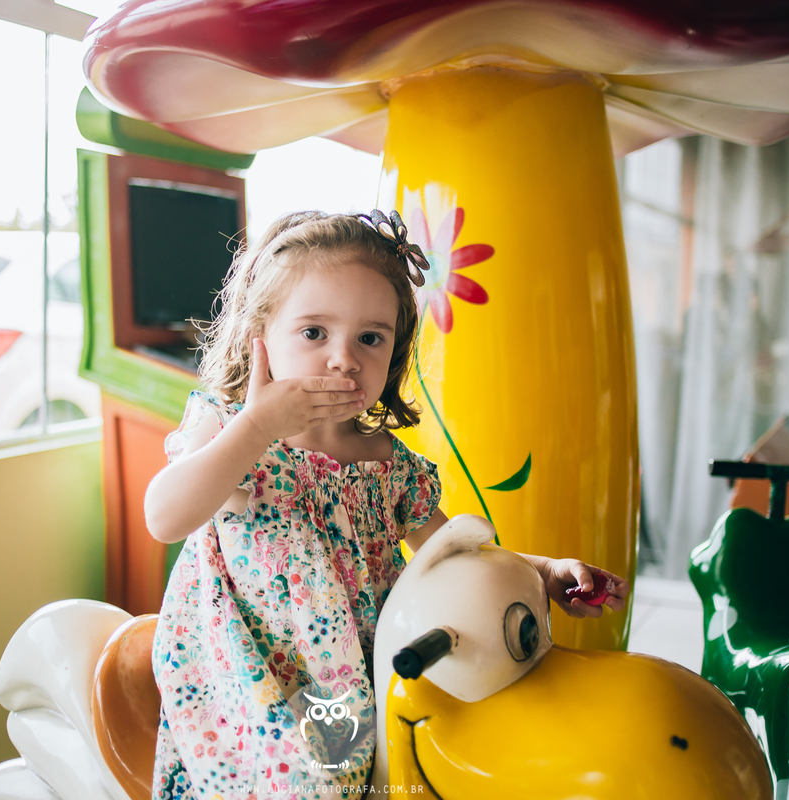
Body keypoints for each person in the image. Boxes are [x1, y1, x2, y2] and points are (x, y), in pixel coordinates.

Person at [143, 210, 629, 799]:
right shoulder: (230, 430)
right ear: (260, 333)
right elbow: (164, 517)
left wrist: (545, 572)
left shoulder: (386, 463)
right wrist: (257, 424)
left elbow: (453, 557)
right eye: (314, 333)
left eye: (370, 338)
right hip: (257, 679)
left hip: (361, 671)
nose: (344, 359)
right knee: (317, 788)